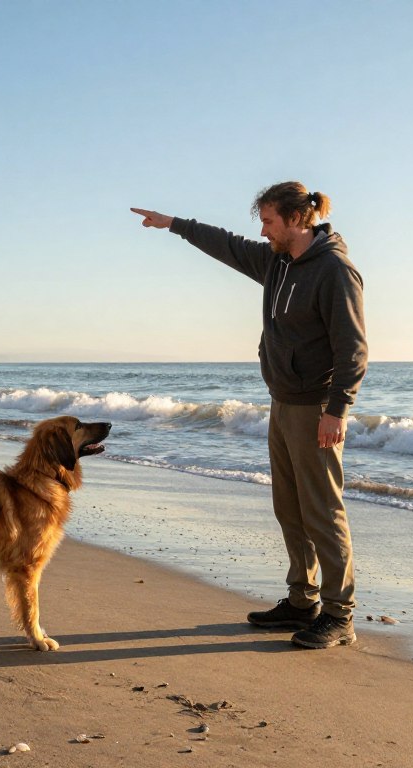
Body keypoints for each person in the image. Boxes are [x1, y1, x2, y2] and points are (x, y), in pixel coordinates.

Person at [131, 181, 368, 649]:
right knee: (289, 509)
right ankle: (302, 601)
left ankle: (340, 616)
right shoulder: (277, 262)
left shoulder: (335, 271)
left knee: (323, 512)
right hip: (283, 401)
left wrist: (338, 410)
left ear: (298, 219)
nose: (261, 231)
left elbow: (353, 348)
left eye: (268, 221)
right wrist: (174, 224)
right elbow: (225, 244)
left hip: (316, 406)